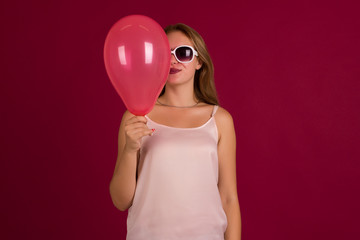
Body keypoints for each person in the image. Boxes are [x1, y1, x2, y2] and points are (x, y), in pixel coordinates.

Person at [109, 23, 241, 240]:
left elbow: (228, 197)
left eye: (183, 53)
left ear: (199, 61)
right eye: (164, 53)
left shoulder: (220, 119)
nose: (173, 60)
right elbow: (120, 200)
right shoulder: (137, 116)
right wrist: (130, 149)